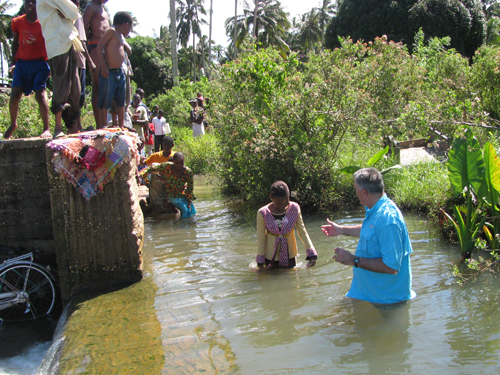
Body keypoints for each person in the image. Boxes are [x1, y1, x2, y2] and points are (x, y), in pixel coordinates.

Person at [321, 167, 416, 304]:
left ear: (364, 192)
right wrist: (341, 230)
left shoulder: (388, 220)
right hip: (366, 293)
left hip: (386, 301)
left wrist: (354, 260)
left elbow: (392, 267)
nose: (355, 193)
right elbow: (371, 231)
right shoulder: (376, 209)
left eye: (356, 190)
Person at [3, 0, 51, 140]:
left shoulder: (43, 22)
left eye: (34, 2)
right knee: (15, 95)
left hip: (39, 63)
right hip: (22, 64)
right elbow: (15, 43)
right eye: (27, 1)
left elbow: (49, 42)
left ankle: (46, 128)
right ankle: (13, 124)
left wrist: (51, 66)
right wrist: (13, 63)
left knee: (40, 94)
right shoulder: (17, 22)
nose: (30, 4)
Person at [37, 0, 84, 137]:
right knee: (61, 85)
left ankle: (72, 126)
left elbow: (72, 12)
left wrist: (69, 12)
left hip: (67, 41)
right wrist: (69, 12)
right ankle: (58, 127)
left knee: (75, 87)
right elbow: (73, 12)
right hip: (58, 43)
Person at [256, 181, 318, 269]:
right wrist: (260, 263)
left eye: (286, 202)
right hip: (270, 256)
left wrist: (312, 255)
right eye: (278, 204)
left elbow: (302, 231)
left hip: (290, 255)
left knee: (292, 280)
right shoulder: (262, 213)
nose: (283, 206)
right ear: (271, 197)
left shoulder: (294, 208)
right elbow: (261, 238)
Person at [95, 11, 132, 129]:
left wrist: (125, 45)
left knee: (121, 100)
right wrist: (103, 65)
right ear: (126, 25)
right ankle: (104, 125)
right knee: (106, 98)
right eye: (129, 28)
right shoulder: (111, 31)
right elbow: (99, 46)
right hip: (109, 70)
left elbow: (129, 51)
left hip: (120, 71)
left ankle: (121, 125)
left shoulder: (121, 36)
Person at [140, 152, 196, 218]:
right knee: (184, 210)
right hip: (172, 196)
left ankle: (190, 225)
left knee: (192, 212)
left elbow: (190, 188)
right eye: (177, 163)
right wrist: (144, 177)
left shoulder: (188, 172)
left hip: (183, 194)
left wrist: (189, 203)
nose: (179, 165)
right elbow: (151, 169)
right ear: (173, 162)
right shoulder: (167, 167)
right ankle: (182, 226)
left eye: (181, 163)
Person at [83, 0, 110, 129]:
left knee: (105, 86)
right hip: (95, 46)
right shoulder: (90, 7)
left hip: (106, 48)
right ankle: (99, 124)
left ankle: (104, 122)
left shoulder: (103, 8)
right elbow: (83, 28)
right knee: (97, 85)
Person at [71, 0, 95, 131]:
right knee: (77, 95)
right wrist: (90, 60)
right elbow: (82, 42)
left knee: (75, 95)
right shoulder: (76, 16)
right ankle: (76, 125)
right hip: (78, 61)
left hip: (72, 60)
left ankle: (76, 125)